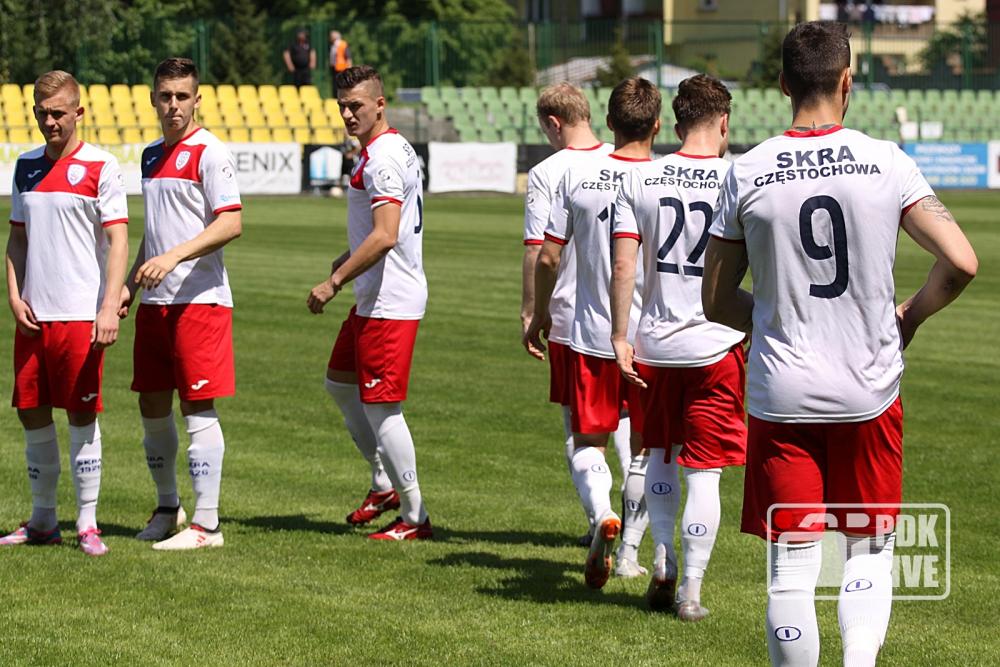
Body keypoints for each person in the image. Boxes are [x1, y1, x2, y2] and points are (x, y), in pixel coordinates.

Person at [702, 22, 977, 666]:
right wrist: (909, 317)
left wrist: (773, 319)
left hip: (783, 394)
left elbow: (714, 299)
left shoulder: (748, 170)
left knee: (792, 569)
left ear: (783, 85)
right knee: (867, 549)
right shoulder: (887, 161)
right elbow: (961, 263)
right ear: (847, 80)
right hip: (868, 390)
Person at [609, 74, 745, 619]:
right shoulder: (739, 177)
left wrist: (620, 335)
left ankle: (662, 558)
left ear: (677, 121)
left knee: (659, 453)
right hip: (716, 344)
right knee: (704, 471)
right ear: (724, 122)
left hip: (656, 345)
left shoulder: (640, 178)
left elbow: (623, 265)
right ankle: (691, 589)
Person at [525, 76, 661, 589]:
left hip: (588, 334)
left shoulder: (578, 179)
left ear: (609, 122)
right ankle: (630, 554)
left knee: (587, 441)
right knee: (644, 449)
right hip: (649, 336)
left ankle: (602, 513)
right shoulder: (664, 179)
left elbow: (547, 256)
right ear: (656, 125)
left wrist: (538, 312)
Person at [0, 70, 129, 557]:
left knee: (80, 413)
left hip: (80, 314)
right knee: (31, 412)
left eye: (59, 113)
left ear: (79, 112)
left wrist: (108, 306)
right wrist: (15, 297)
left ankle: (88, 523)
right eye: (42, 113)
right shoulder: (25, 166)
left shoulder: (102, 166)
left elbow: (118, 240)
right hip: (34, 315)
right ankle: (42, 520)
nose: (50, 121)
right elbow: (16, 239)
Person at [120, 57, 242, 551]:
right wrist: (129, 284)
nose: (173, 105)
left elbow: (230, 222)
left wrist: (172, 257)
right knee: (151, 404)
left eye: (182, 96)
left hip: (200, 300)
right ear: (153, 99)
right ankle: (168, 506)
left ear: (197, 99)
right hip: (155, 302)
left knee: (196, 405)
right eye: (165, 96)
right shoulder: (151, 155)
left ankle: (207, 525)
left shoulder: (210, 152)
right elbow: (156, 232)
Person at [307, 65, 430, 541]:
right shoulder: (388, 148)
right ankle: (384, 484)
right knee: (339, 383)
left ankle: (415, 516)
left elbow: (385, 235)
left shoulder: (382, 160)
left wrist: (333, 281)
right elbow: (376, 233)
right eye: (342, 106)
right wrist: (345, 261)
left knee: (382, 408)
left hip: (389, 299)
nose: (347, 114)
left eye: (355, 105)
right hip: (373, 296)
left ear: (380, 104)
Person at [328, 30, 353, 97]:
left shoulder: (342, 44)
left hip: (341, 68)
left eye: (331, 36)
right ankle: (335, 97)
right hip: (335, 67)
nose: (329, 38)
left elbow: (348, 57)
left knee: (341, 84)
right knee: (335, 85)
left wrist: (349, 68)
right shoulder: (333, 45)